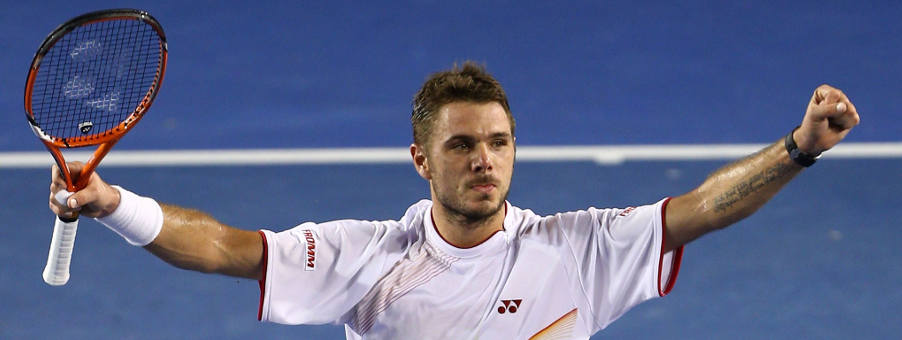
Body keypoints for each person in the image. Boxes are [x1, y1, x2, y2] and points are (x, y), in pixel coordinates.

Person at [49, 62, 859, 339]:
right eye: (463, 146)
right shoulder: (368, 259)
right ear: (420, 161)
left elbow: (701, 209)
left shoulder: (575, 250)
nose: (485, 161)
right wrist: (115, 203)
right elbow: (228, 247)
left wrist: (797, 149)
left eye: (499, 144)